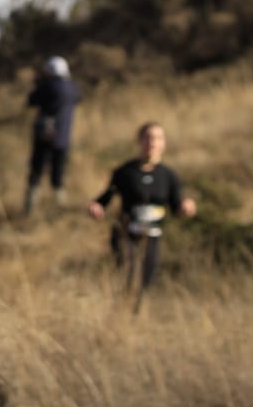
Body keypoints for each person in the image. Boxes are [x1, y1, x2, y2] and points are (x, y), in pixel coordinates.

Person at [88, 122, 196, 309]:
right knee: (127, 275)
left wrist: (186, 208)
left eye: (157, 138)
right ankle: (119, 311)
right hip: (125, 234)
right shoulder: (125, 172)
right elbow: (105, 198)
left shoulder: (168, 175)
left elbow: (177, 206)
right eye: (148, 137)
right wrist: (96, 207)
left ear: (164, 143)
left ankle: (133, 317)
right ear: (139, 141)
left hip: (152, 235)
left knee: (145, 281)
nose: (152, 142)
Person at [23, 55, 82, 215]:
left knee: (37, 172)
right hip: (63, 137)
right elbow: (78, 98)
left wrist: (39, 84)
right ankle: (59, 208)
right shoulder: (73, 88)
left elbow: (31, 101)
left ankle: (30, 208)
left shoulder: (46, 86)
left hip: (44, 136)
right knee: (58, 174)